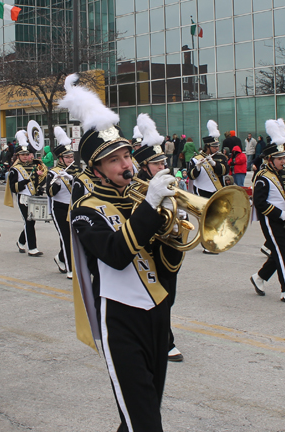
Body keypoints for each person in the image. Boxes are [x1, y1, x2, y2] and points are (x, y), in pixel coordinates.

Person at [60, 74, 185, 431]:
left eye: (127, 154)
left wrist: (175, 233)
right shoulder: (84, 209)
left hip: (158, 312)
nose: (126, 164)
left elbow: (167, 265)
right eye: (114, 159)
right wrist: (150, 207)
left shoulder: (140, 196)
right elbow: (115, 253)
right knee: (144, 421)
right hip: (119, 317)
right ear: (96, 169)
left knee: (144, 412)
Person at [133, 112, 188, 363]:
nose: (163, 167)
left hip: (171, 247)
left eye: (164, 161)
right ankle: (165, 341)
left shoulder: (170, 181)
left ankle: (153, 332)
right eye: (157, 163)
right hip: (150, 248)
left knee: (170, 295)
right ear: (145, 166)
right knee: (160, 295)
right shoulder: (136, 187)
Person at [250, 118, 285, 304]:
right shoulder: (263, 177)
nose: (283, 161)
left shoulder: (282, 174)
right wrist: (280, 213)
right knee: (283, 253)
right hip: (271, 220)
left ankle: (259, 278)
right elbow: (259, 203)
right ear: (270, 160)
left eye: (283, 158)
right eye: (280, 159)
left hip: (283, 219)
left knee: (280, 252)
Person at [188, 120, 230, 254]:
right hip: (203, 191)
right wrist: (198, 167)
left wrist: (213, 163)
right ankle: (206, 244)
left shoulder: (221, 157)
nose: (217, 148)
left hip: (217, 191)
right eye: (214, 146)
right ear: (207, 146)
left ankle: (216, 241)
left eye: (217, 146)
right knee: (206, 218)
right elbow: (192, 176)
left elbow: (225, 171)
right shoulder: (195, 159)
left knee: (218, 217)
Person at [4, 130, 47, 256]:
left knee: (31, 221)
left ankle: (20, 241)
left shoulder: (33, 166)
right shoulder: (15, 170)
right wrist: (25, 182)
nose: (25, 156)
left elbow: (37, 182)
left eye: (26, 154)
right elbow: (13, 188)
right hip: (22, 198)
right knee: (29, 221)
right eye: (22, 155)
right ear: (17, 156)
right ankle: (32, 248)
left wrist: (40, 178)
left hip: (33, 197)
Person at [46, 127, 80, 279]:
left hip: (74, 207)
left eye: (71, 156)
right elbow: (49, 193)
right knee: (66, 236)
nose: (70, 160)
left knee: (76, 237)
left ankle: (60, 258)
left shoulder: (77, 170)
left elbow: (84, 188)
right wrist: (58, 182)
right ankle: (70, 268)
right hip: (59, 208)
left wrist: (72, 179)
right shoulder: (53, 172)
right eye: (67, 158)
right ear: (60, 159)